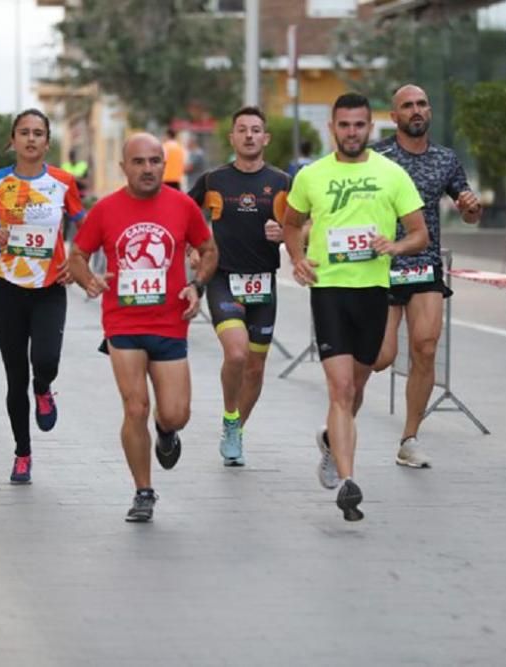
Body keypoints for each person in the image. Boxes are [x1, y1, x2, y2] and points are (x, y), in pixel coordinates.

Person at [282, 93, 428, 521]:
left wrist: (395, 245)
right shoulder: (312, 175)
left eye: (359, 126)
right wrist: (297, 257)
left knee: (362, 381)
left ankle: (331, 440)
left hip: (373, 290)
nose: (351, 133)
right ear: (332, 128)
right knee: (341, 389)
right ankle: (348, 483)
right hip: (329, 290)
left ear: (370, 127)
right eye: (343, 126)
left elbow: (419, 233)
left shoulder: (392, 174)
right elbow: (291, 224)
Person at [68, 132, 218, 523]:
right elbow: (78, 255)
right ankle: (143, 491)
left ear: (163, 166)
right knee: (135, 407)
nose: (148, 168)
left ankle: (166, 433)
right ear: (124, 167)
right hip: (123, 322)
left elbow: (209, 250)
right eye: (139, 162)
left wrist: (196, 285)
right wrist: (88, 281)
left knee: (176, 413)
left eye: (154, 161)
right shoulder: (105, 210)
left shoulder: (183, 206)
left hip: (170, 323)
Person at [0, 109, 84, 484]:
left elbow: (85, 226)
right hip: (8, 289)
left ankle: (44, 387)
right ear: (12, 141)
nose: (31, 139)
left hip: (49, 288)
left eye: (38, 133)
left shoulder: (62, 182)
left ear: (48, 142)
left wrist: (76, 261)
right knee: (15, 376)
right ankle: (22, 453)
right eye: (24, 133)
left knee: (44, 361)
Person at [369, 84, 482, 469]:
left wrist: (470, 206)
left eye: (421, 104)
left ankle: (410, 438)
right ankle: (340, 412)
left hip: (423, 263)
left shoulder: (445, 159)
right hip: (381, 265)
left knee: (426, 347)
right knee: (381, 356)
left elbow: (468, 208)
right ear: (393, 115)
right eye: (407, 106)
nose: (416, 111)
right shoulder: (377, 156)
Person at [187, 106, 291, 466]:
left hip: (264, 281)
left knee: (256, 368)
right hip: (224, 279)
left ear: (266, 138)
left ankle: (236, 429)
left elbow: (302, 226)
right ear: (232, 138)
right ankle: (231, 415)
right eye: (242, 130)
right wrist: (192, 248)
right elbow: (184, 215)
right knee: (236, 354)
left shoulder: (281, 182)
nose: (249, 135)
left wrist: (284, 233)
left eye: (256, 130)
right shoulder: (214, 179)